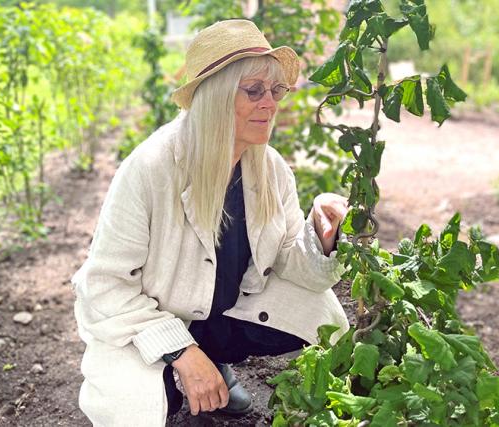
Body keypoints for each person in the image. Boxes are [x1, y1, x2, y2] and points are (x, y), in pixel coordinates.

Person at [71, 19, 350, 426]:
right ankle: (179, 368)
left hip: (222, 311)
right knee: (144, 409)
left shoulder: (269, 168)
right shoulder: (151, 168)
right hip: (150, 319)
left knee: (323, 314)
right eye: (254, 91)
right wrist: (182, 352)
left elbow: (293, 265)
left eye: (276, 91)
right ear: (215, 96)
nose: (270, 104)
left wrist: (322, 235)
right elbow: (105, 286)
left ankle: (215, 361)